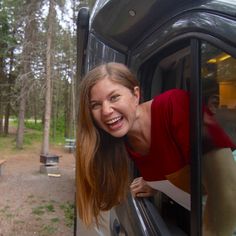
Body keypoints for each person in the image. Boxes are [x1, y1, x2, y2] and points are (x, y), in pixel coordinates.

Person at [76, 62, 236, 235]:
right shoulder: (121, 144)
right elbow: (174, 171)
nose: (106, 111)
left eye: (114, 97)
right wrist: (158, 184)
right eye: (95, 105)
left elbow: (227, 194)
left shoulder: (175, 105)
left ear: (135, 95)